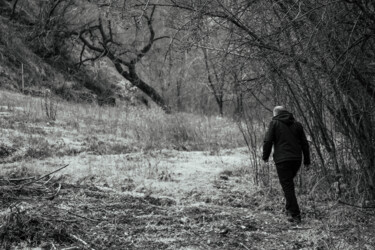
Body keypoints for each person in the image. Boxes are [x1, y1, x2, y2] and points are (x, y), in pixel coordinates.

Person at [262, 106, 310, 223]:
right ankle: (289, 209)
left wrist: (265, 156)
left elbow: (268, 141)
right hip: (296, 160)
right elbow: (304, 144)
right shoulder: (297, 124)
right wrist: (307, 160)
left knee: (287, 186)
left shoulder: (274, 123)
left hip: (282, 160)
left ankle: (296, 215)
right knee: (288, 184)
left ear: (275, 114)